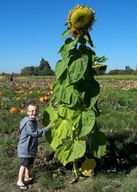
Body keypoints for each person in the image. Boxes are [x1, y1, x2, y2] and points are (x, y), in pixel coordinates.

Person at [16, 101, 49, 191]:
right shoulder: (28, 123)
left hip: (30, 148)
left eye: (36, 110)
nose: (34, 112)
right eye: (32, 111)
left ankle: (27, 177)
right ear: (27, 112)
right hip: (25, 148)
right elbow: (34, 133)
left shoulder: (33, 121)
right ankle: (19, 180)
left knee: (29, 163)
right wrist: (45, 130)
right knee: (24, 164)